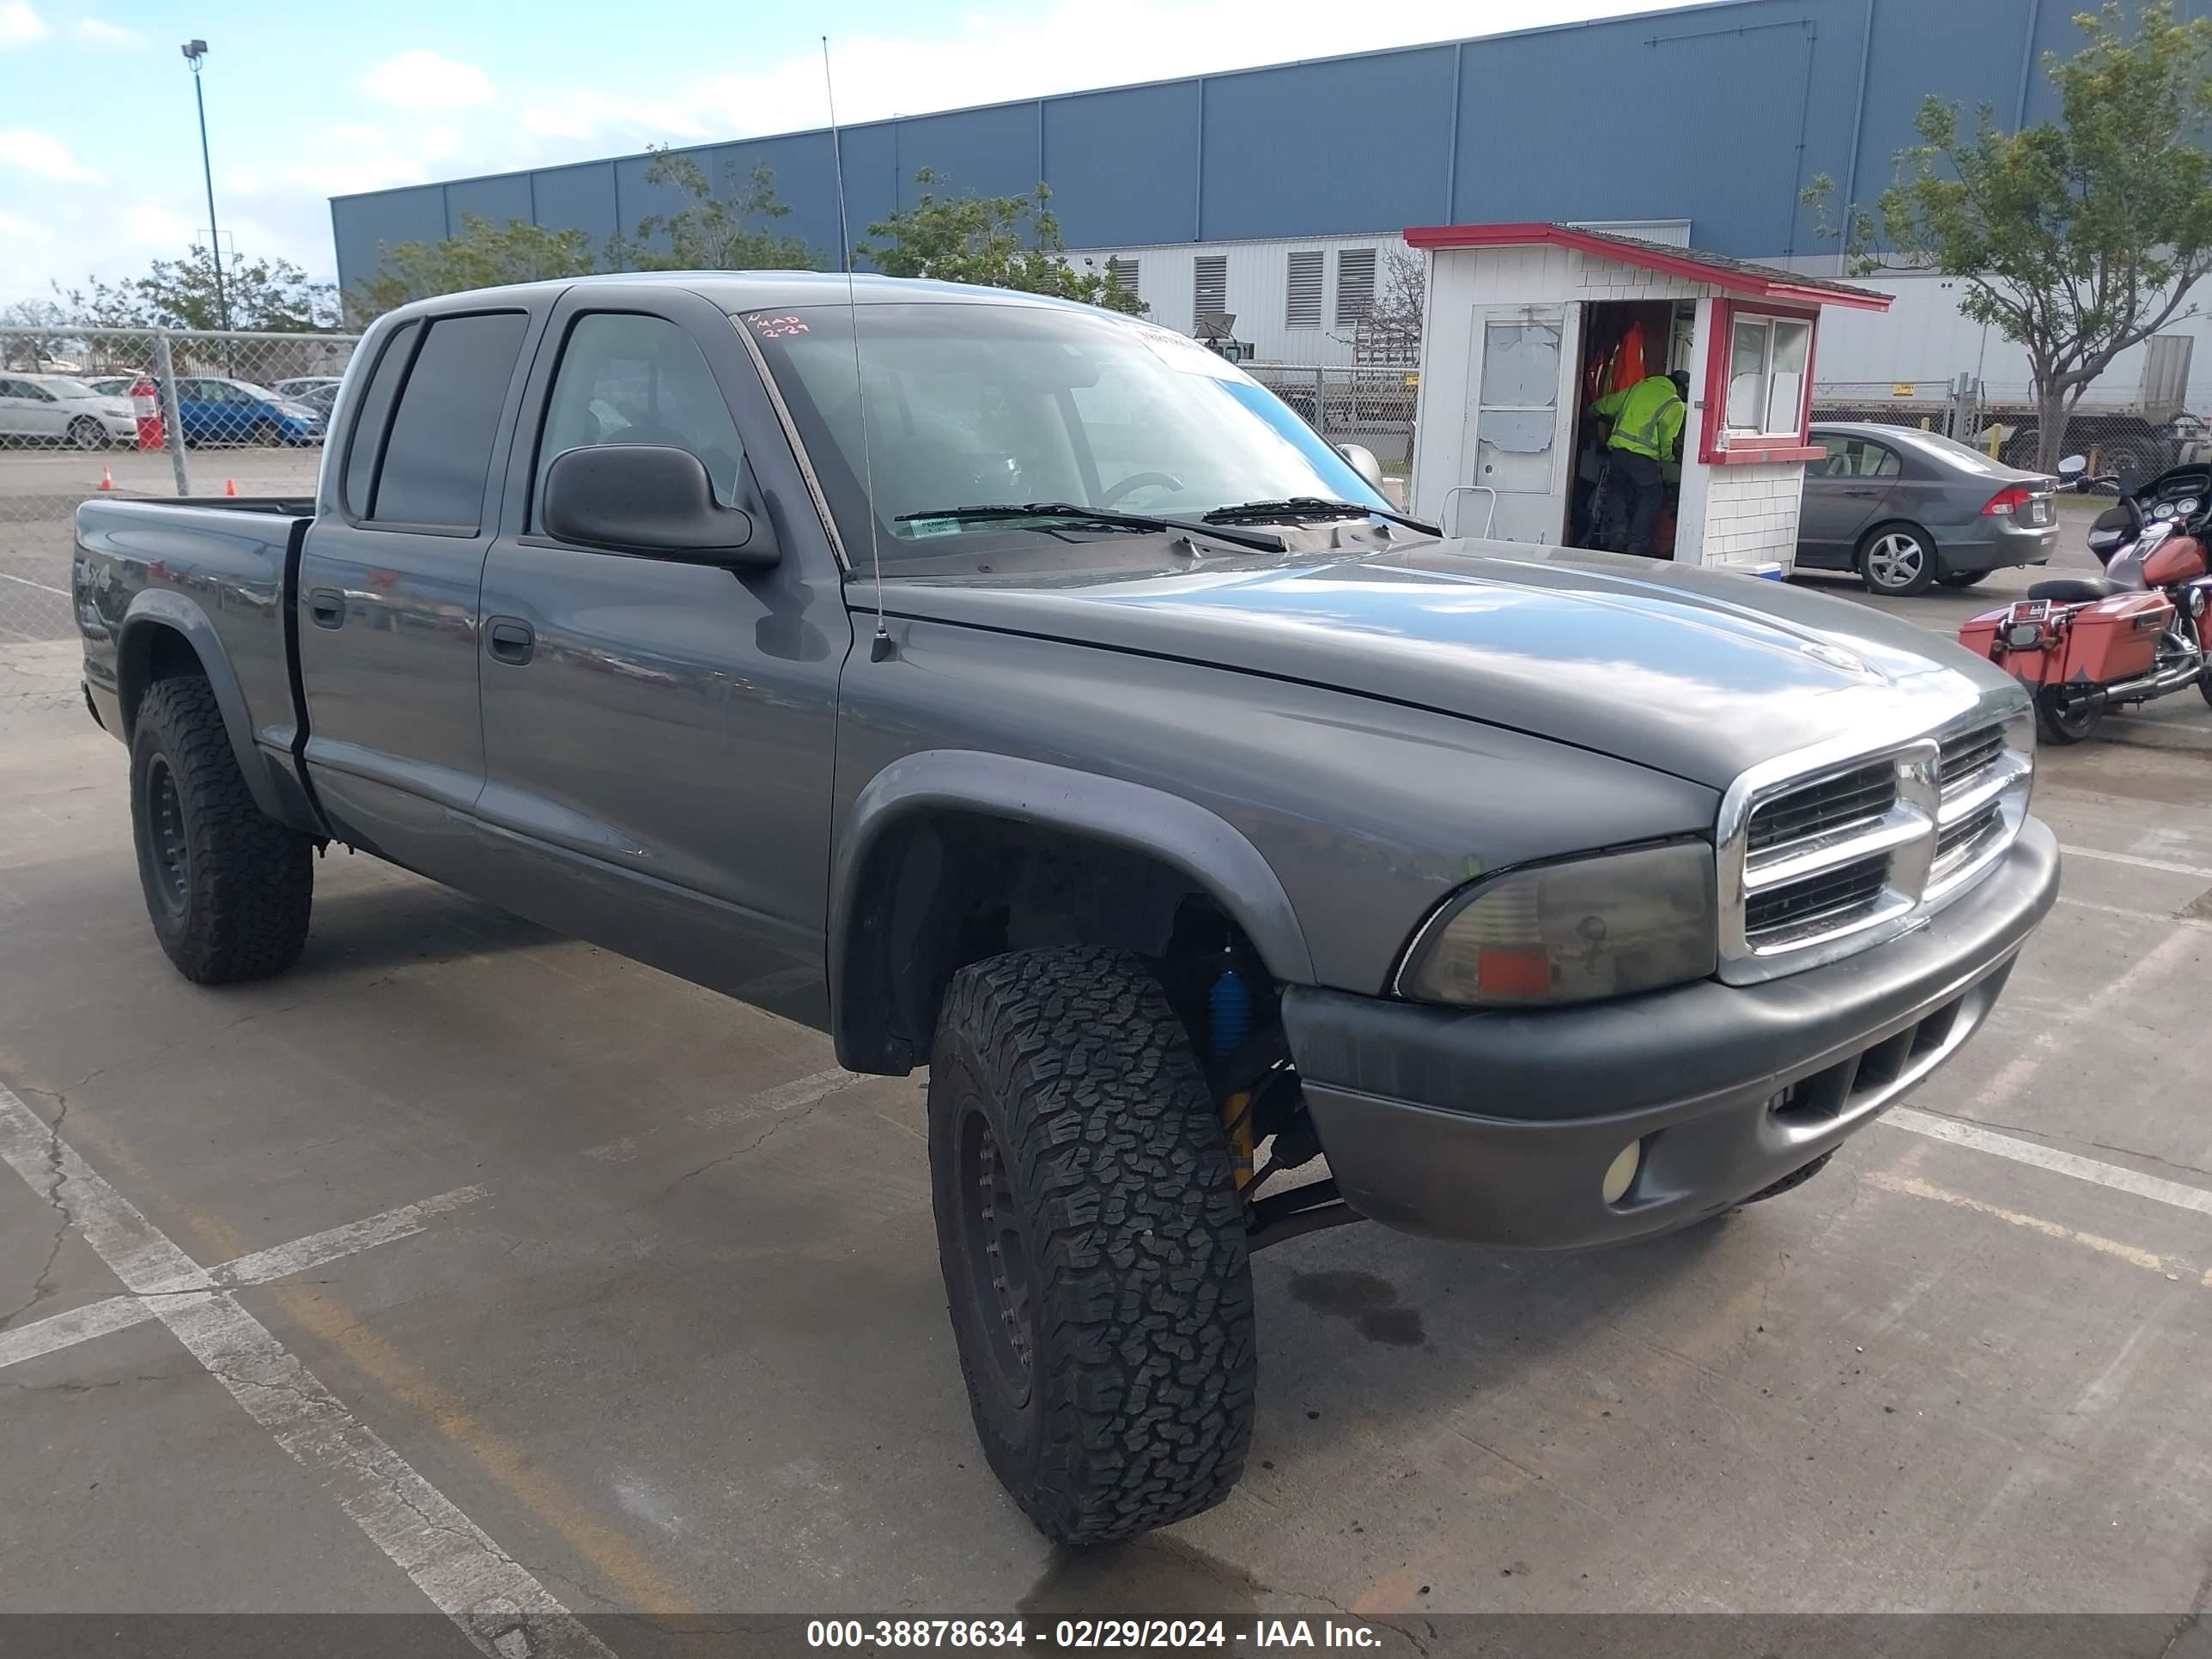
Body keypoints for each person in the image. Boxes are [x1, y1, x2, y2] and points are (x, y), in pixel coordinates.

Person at [1589, 369, 1688, 555]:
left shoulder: (1639, 388)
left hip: (1618, 453)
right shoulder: (1675, 404)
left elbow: (1609, 404)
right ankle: (1637, 543)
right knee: (1651, 497)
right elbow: (1667, 438)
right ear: (1682, 389)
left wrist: (1592, 410)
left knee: (1616, 489)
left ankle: (1618, 531)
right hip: (1644, 459)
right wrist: (1669, 458)